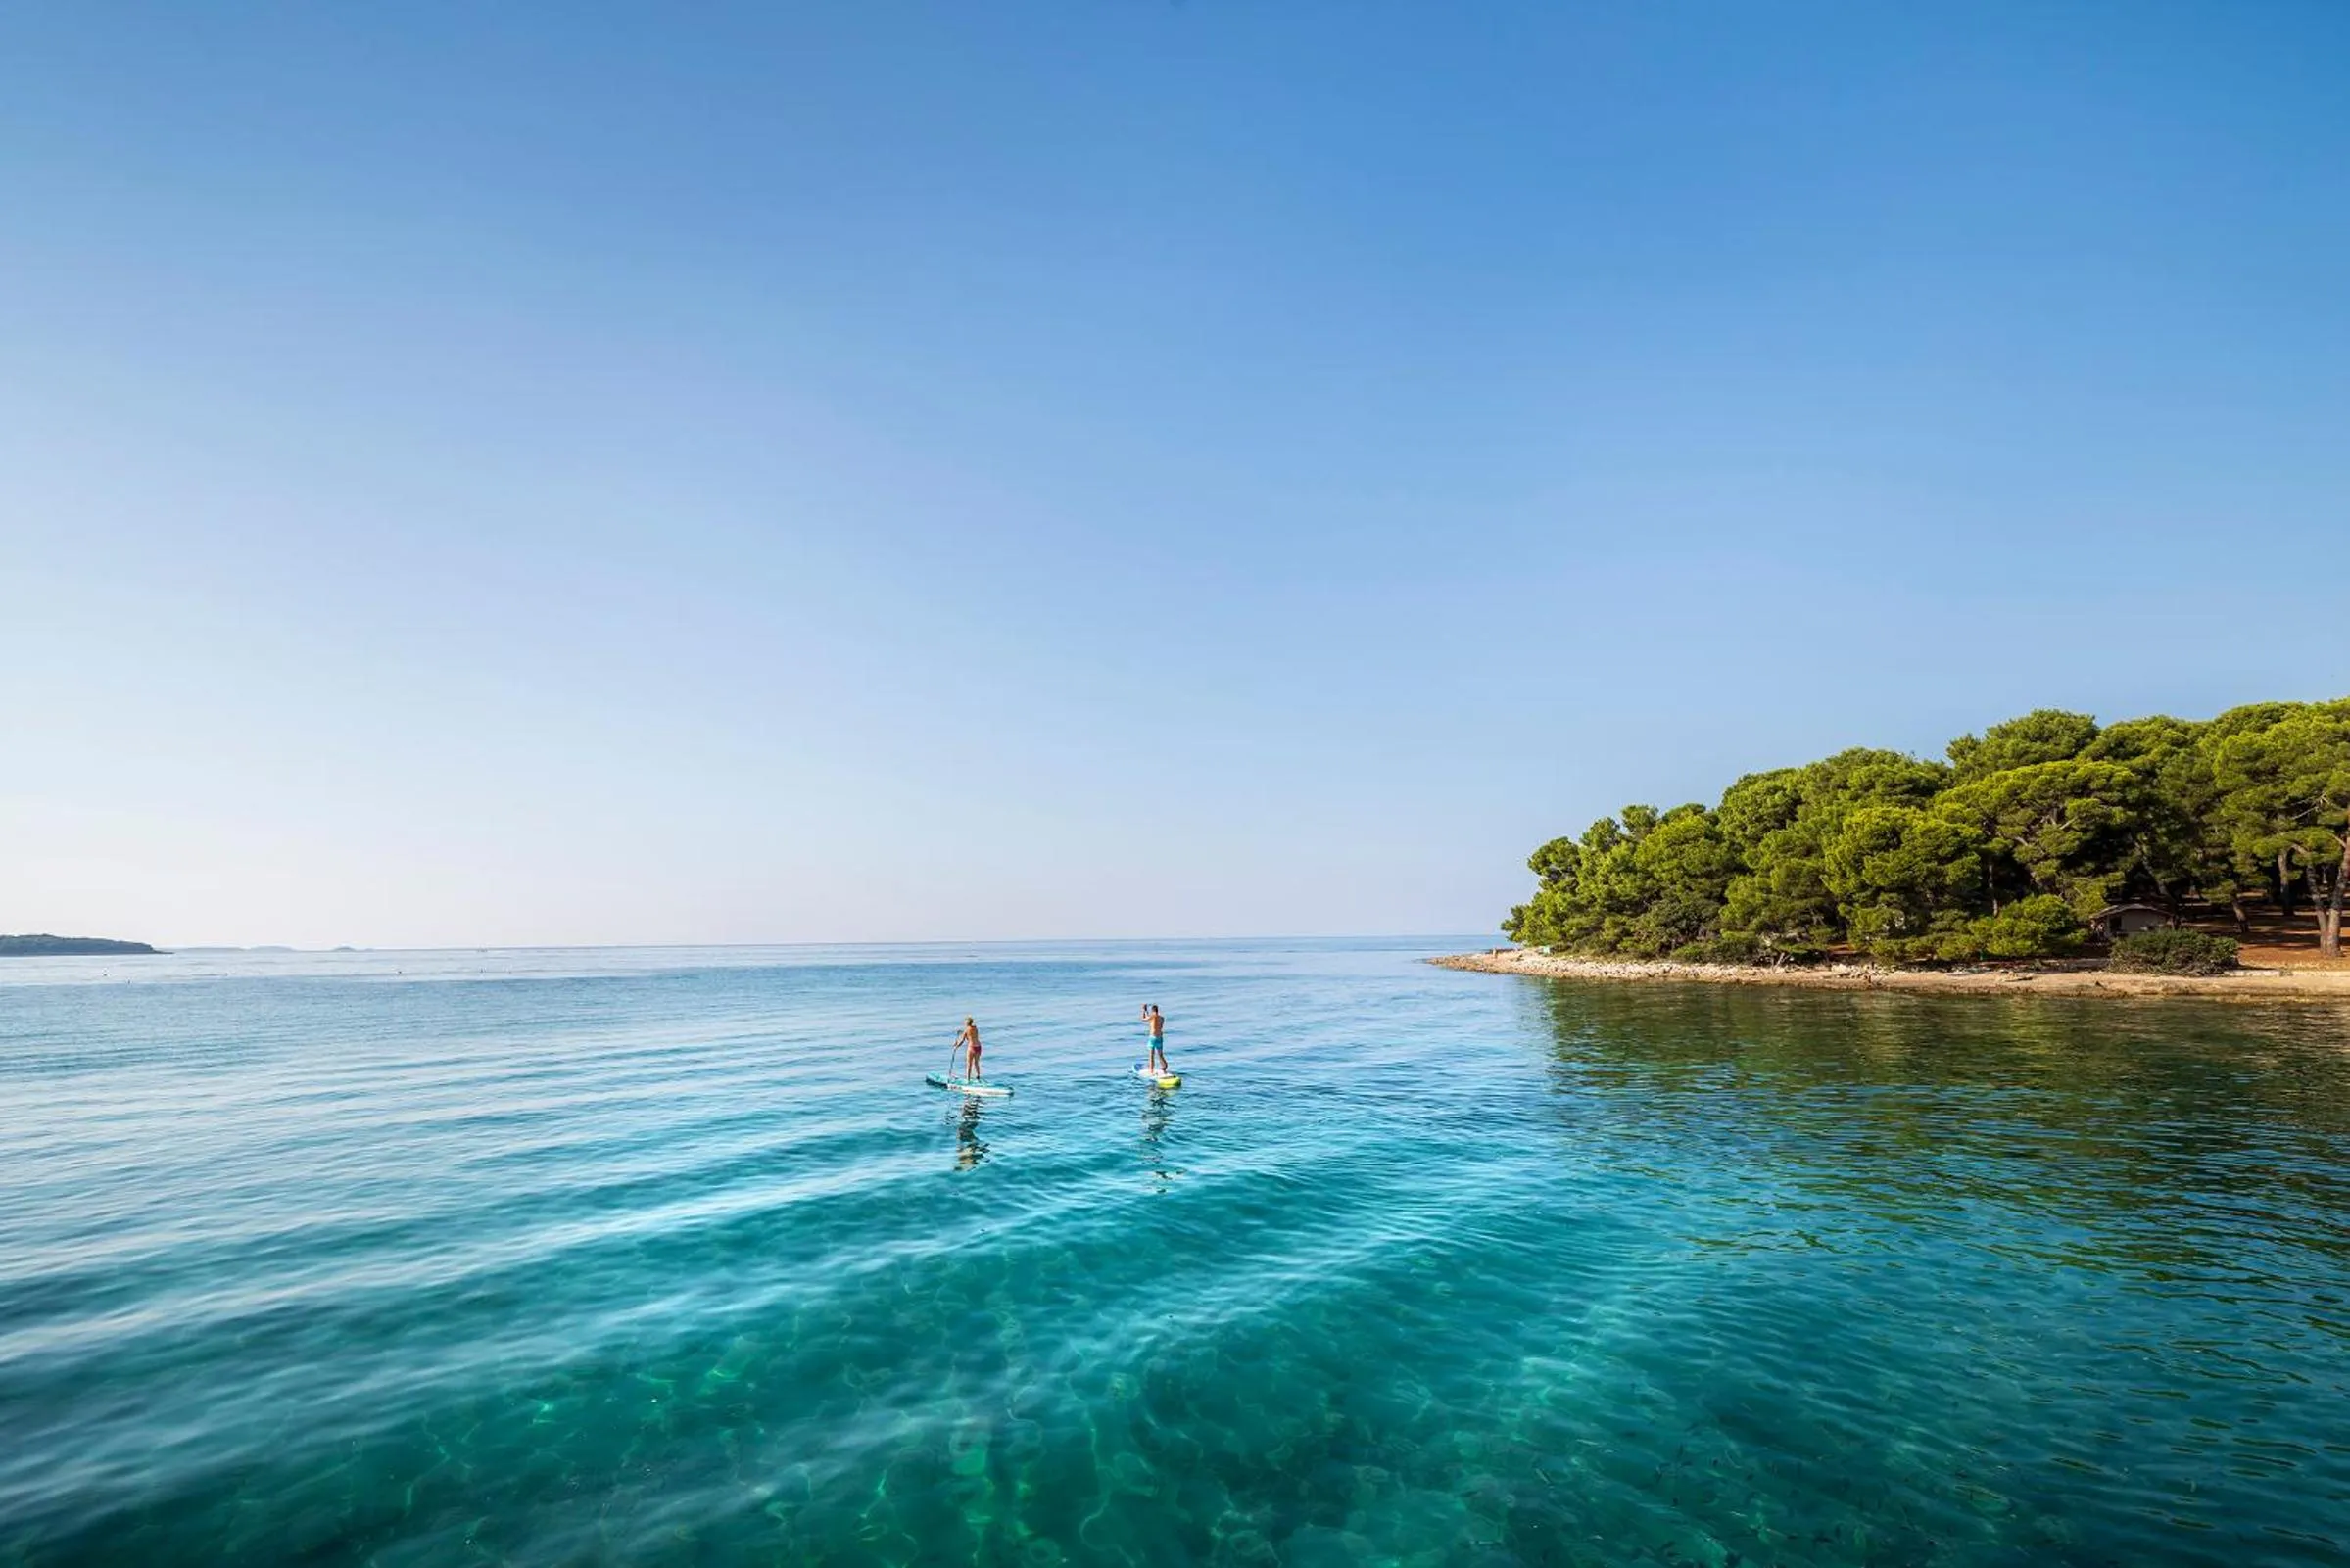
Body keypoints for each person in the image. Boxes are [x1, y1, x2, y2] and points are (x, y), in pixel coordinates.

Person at [1141, 1003, 1170, 1076]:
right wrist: (1147, 1012)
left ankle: (1151, 1071)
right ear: (1157, 1010)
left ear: (1152, 1010)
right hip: (1160, 1037)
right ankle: (1164, 1067)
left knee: (1151, 1055)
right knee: (1160, 1055)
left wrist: (1144, 1010)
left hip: (1153, 1038)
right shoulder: (1162, 1018)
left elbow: (1144, 1019)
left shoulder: (1152, 1017)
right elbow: (1151, 1020)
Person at [954, 1016, 983, 1081]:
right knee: (976, 1063)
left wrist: (956, 1047)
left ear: (966, 1023)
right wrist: (962, 1032)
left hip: (971, 1047)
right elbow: (970, 1033)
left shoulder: (966, 1030)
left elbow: (962, 1041)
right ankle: (978, 1077)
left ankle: (968, 1080)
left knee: (969, 1064)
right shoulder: (975, 1028)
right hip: (978, 1047)